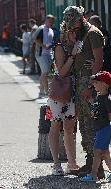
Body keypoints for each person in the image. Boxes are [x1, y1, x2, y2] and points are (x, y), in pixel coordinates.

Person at [63, 6, 105, 178]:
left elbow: (99, 60)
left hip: (88, 84)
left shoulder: (93, 33)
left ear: (80, 19)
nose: (71, 27)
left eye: (72, 23)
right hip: (80, 82)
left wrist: (89, 85)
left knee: (93, 124)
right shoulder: (81, 34)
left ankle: (97, 166)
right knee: (85, 124)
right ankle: (90, 161)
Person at [47, 22, 79, 176]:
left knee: (69, 128)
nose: (75, 35)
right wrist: (73, 56)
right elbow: (61, 73)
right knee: (55, 126)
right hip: (58, 94)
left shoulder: (76, 46)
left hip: (71, 93)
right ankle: (56, 164)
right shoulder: (60, 47)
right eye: (72, 32)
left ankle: (71, 163)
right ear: (66, 33)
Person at [80, 71, 111, 182]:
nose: (94, 84)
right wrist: (92, 103)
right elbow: (97, 107)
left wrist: (100, 115)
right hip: (100, 129)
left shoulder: (108, 99)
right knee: (105, 153)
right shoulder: (98, 96)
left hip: (104, 129)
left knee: (97, 152)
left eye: (96, 83)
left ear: (105, 84)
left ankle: (93, 175)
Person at [32, 15, 55, 98]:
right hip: (41, 54)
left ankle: (41, 91)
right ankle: (46, 91)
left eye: (52, 21)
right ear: (45, 20)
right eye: (49, 21)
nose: (51, 23)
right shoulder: (41, 29)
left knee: (44, 73)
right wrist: (43, 46)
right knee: (45, 73)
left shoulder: (51, 30)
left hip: (49, 54)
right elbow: (34, 39)